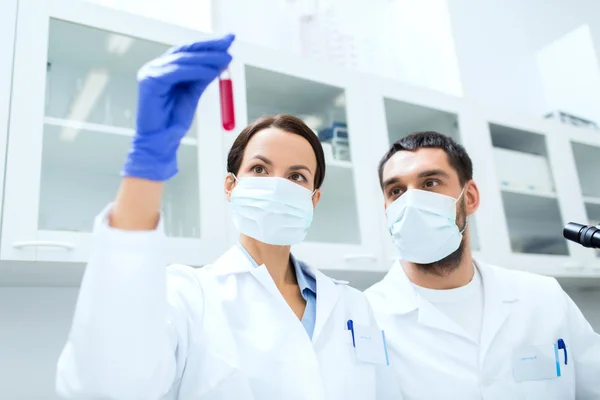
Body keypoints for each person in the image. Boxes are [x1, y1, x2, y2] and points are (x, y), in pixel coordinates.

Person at [55, 35, 400, 400]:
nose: (278, 186)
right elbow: (105, 385)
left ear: (313, 198)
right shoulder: (188, 296)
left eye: (297, 176)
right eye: (260, 169)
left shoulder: (352, 307)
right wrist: (147, 166)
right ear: (230, 186)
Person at [365, 131, 600, 399]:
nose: (411, 202)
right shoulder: (364, 318)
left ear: (470, 197)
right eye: (396, 191)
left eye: (430, 183)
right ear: (386, 207)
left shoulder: (543, 297)